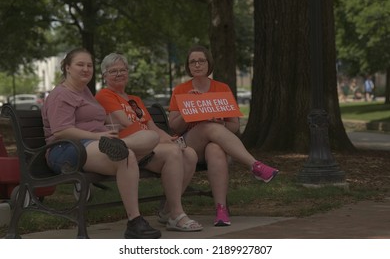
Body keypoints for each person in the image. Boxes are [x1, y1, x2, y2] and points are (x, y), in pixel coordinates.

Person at [41, 48, 162, 239]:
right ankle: (135, 221)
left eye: (89, 65)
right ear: (67, 68)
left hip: (97, 142)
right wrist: (100, 137)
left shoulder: (86, 92)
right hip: (67, 148)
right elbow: (61, 131)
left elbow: (97, 120)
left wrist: (108, 128)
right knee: (127, 155)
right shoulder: (61, 94)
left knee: (150, 137)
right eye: (80, 64)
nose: (86, 69)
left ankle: (120, 146)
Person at [168, 45, 279, 227]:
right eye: (192, 62)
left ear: (208, 63)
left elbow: (234, 126)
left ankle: (221, 210)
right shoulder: (181, 90)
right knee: (207, 126)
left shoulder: (221, 88)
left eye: (201, 61)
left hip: (211, 145)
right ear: (188, 66)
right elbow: (174, 126)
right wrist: (191, 107)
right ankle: (254, 165)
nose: (197, 65)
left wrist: (221, 124)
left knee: (216, 149)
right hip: (188, 145)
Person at [95, 53, 203, 232]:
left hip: (151, 147)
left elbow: (152, 126)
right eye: (113, 71)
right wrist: (163, 142)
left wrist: (168, 138)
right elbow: (127, 124)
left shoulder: (135, 100)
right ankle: (177, 214)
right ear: (104, 75)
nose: (119, 73)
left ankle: (168, 209)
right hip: (129, 149)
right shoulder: (105, 95)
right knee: (173, 153)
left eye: (123, 70)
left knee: (189, 153)